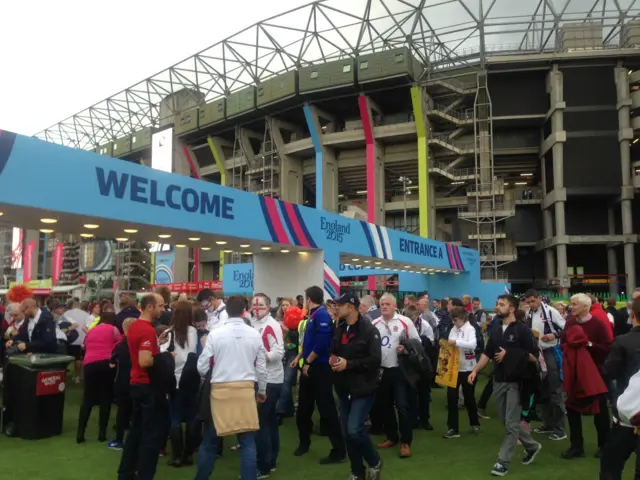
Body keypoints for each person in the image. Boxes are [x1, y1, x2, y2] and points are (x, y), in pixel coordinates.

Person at [194, 295, 268, 480]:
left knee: (210, 443)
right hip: (245, 390)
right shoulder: (254, 334)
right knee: (248, 443)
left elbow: (202, 366)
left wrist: (208, 375)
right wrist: (262, 391)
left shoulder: (215, 334)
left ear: (227, 311)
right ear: (245, 310)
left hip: (219, 391)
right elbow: (261, 367)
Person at [468, 295, 541, 477]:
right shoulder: (495, 329)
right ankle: (532, 446)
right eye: (497, 304)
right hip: (498, 381)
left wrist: (511, 354)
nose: (497, 306)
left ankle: (503, 462)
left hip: (517, 383)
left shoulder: (523, 330)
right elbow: (487, 353)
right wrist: (475, 370)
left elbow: (534, 356)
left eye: (502, 304)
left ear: (512, 308)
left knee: (510, 424)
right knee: (506, 421)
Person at [331, 293, 383, 480]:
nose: (336, 308)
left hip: (363, 387)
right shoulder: (340, 328)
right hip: (344, 387)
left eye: (340, 305)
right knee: (347, 433)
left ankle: (375, 461)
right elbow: (335, 350)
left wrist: (349, 364)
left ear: (351, 307)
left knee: (354, 429)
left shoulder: (368, 330)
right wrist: (333, 359)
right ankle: (357, 472)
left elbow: (375, 360)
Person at [117, 293, 169, 480]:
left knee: (136, 433)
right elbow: (145, 360)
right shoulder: (146, 330)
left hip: (137, 385)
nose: (163, 309)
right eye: (161, 306)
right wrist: (164, 357)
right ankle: (145, 475)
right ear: (150, 307)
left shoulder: (136, 327)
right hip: (147, 386)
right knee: (151, 436)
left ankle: (126, 473)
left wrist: (157, 345)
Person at [295, 285, 346, 464]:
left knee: (327, 410)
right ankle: (304, 443)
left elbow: (322, 344)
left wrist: (308, 362)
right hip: (310, 368)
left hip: (320, 369)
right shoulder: (314, 316)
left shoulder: (322, 315)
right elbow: (309, 342)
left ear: (308, 299)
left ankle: (339, 451)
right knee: (303, 409)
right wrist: (300, 358)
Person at [562, 293, 612, 460]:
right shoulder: (569, 323)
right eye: (571, 304)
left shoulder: (597, 324)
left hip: (595, 374)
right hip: (575, 372)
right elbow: (563, 342)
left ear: (585, 306)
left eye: (574, 304)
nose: (571, 306)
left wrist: (588, 344)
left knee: (601, 411)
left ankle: (604, 445)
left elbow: (606, 347)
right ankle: (576, 446)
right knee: (572, 408)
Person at [373, 293, 421, 458]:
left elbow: (417, 343)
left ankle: (406, 442)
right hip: (382, 371)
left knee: (402, 406)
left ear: (394, 306)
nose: (384, 306)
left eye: (387, 304)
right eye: (381, 304)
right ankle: (391, 437)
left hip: (400, 370)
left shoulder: (404, 322)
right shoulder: (374, 324)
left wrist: (405, 349)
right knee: (384, 406)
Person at [600, 296, 640, 479]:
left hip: (626, 415)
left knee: (611, 468)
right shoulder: (623, 341)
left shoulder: (623, 341)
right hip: (628, 413)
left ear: (631, 314)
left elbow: (609, 372)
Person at [524, 289, 567, 441]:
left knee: (555, 390)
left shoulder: (551, 311)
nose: (530, 304)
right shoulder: (529, 313)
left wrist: (554, 335)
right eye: (528, 302)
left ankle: (560, 429)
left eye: (532, 301)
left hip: (551, 352)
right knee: (542, 390)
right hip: (537, 353)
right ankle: (548, 424)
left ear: (538, 298)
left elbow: (566, 328)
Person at [160, 301, 198, 468]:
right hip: (191, 379)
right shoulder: (194, 331)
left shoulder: (169, 332)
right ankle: (188, 455)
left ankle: (176, 456)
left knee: (174, 417)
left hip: (174, 380)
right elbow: (193, 354)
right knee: (191, 417)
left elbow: (160, 354)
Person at [251, 293, 285, 477]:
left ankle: (263, 465)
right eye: (254, 305)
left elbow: (279, 352)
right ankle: (270, 461)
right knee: (269, 421)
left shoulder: (272, 325)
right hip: (262, 378)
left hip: (270, 380)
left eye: (260, 305)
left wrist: (259, 355)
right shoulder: (255, 323)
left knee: (262, 423)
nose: (256, 308)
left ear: (269, 305)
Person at [77, 311, 121, 444]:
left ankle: (80, 434)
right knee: (105, 398)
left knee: (87, 399)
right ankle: (102, 433)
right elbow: (119, 346)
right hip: (106, 363)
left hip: (89, 364)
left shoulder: (91, 330)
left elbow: (84, 346)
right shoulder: (114, 329)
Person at [443, 306, 480, 439]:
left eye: (455, 320)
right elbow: (450, 343)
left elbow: (473, 345)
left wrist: (456, 342)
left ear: (463, 319)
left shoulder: (470, 329)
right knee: (451, 398)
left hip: (469, 369)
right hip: (454, 369)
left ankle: (475, 423)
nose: (454, 322)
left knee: (469, 398)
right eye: (452, 320)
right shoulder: (453, 329)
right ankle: (453, 428)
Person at [109, 317, 136, 450]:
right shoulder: (139, 344)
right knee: (136, 412)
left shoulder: (120, 346)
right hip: (137, 382)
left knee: (122, 412)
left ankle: (119, 440)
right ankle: (134, 441)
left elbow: (111, 364)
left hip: (123, 382)